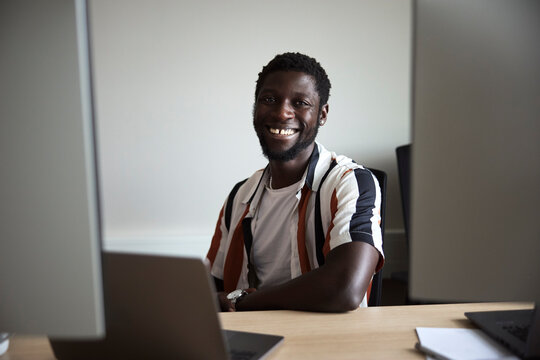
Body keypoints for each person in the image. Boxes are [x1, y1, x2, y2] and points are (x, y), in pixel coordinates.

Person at [206, 52, 384, 312]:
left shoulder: (351, 182)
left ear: (322, 115)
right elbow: (211, 288)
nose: (282, 113)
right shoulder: (240, 195)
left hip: (327, 346)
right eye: (269, 100)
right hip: (252, 342)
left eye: (300, 102)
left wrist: (244, 302)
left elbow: (345, 288)